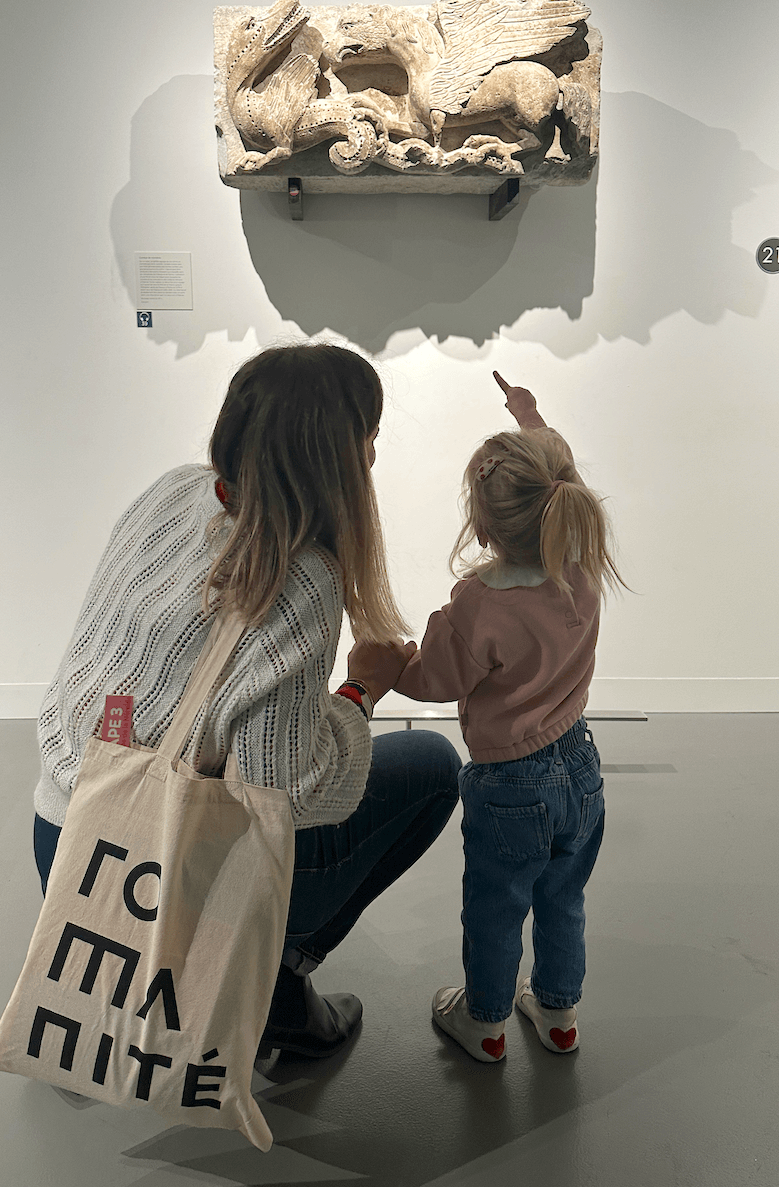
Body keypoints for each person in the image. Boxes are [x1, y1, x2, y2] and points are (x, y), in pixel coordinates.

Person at [32, 344, 461, 1058]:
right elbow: (287, 792)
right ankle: (276, 986)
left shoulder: (171, 492)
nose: (376, 454)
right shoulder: (303, 580)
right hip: (163, 876)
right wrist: (361, 689)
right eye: (369, 436)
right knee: (433, 765)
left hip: (66, 845)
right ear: (336, 457)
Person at [395, 370, 626, 1063]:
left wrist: (382, 663)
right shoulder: (581, 560)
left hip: (510, 785)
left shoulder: (478, 602)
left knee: (497, 908)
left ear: (484, 521)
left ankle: (487, 1022)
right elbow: (560, 471)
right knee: (564, 895)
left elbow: (432, 677)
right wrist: (531, 419)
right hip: (580, 765)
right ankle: (558, 1013)